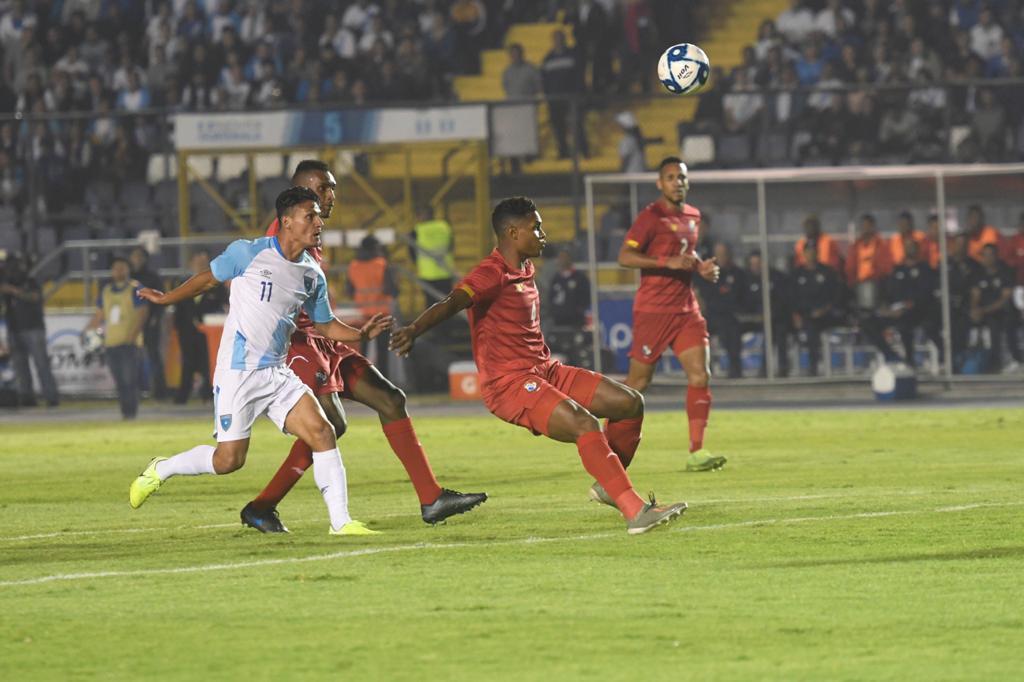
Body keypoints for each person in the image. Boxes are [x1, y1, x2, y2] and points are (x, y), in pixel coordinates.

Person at [390, 197, 688, 534]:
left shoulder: (526, 268)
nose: (543, 234)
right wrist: (414, 329)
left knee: (629, 402)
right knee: (584, 423)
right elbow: (452, 302)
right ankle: (634, 510)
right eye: (536, 227)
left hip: (546, 370)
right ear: (513, 233)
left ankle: (610, 485)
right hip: (510, 384)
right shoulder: (491, 272)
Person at [128, 187, 390, 536]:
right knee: (228, 461)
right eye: (310, 216)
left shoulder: (312, 274)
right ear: (286, 221)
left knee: (323, 432)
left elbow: (325, 323)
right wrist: (166, 299)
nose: (318, 223)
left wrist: (361, 334)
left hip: (277, 373)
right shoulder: (248, 253)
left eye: (317, 216)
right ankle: (162, 468)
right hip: (238, 373)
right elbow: (207, 279)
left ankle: (341, 523)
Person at [244, 160, 486, 533]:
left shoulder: (312, 233)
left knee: (391, 399)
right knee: (330, 425)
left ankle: (431, 498)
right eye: (324, 188)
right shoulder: (282, 235)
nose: (332, 196)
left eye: (333, 188)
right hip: (299, 342)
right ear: (300, 189)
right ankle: (263, 506)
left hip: (326, 340)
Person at [617, 157, 725, 472]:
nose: (677, 182)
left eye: (681, 177)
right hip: (653, 311)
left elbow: (685, 255)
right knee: (638, 382)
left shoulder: (693, 216)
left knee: (700, 375)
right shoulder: (650, 217)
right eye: (670, 177)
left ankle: (697, 451)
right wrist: (667, 263)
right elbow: (625, 256)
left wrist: (701, 267)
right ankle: (606, 440)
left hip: (686, 310)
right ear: (659, 184)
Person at [860, 240, 943, 368]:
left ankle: (910, 360)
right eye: (907, 247)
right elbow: (889, 293)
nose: (910, 250)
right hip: (894, 311)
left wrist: (907, 307)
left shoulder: (925, 269)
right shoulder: (897, 270)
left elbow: (926, 295)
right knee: (868, 322)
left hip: (917, 312)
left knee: (905, 324)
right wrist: (885, 307)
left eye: (912, 247)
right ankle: (891, 356)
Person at [84, 256, 148, 419]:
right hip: (111, 343)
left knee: (129, 381)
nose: (119, 271)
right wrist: (87, 330)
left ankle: (131, 413)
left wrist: (133, 335)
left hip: (129, 343)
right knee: (120, 382)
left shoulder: (135, 288)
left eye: (122, 267)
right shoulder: (106, 291)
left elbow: (142, 313)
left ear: (128, 270)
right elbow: (99, 315)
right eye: (116, 268)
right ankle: (125, 414)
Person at [0, 253, 59, 407]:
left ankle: (51, 396)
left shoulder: (30, 281)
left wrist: (13, 291)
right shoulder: (5, 284)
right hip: (14, 329)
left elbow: (36, 297)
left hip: (33, 329)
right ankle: (27, 397)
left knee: (41, 364)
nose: (8, 269)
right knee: (20, 366)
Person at [172, 250, 226, 404]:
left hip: (209, 333)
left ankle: (209, 394)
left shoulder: (216, 284)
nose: (201, 265)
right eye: (198, 262)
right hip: (187, 331)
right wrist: (178, 329)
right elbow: (179, 309)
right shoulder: (182, 284)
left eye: (204, 262)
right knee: (187, 362)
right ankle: (183, 395)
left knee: (208, 363)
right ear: (191, 264)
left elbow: (222, 306)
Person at [792, 242, 846, 376]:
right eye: (807, 252)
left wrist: (825, 309)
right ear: (803, 254)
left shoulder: (827, 272)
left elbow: (836, 296)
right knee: (808, 325)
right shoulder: (797, 274)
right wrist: (796, 314)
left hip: (826, 314)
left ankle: (815, 366)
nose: (810, 254)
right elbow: (791, 298)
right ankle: (811, 366)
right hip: (805, 316)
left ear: (817, 253)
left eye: (813, 251)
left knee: (813, 325)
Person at [347, 234, 397, 375]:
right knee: (382, 353)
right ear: (375, 248)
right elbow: (392, 290)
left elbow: (349, 291)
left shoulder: (354, 266)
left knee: (363, 352)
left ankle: (363, 382)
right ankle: (383, 384)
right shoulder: (382, 264)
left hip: (363, 316)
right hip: (382, 315)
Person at [739, 249, 792, 377]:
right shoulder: (745, 279)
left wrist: (769, 314)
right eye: (753, 264)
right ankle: (735, 368)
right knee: (731, 328)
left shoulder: (776, 277)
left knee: (778, 329)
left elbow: (782, 300)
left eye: (758, 263)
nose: (756, 267)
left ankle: (780, 367)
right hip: (752, 318)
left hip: (773, 317)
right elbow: (742, 301)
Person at [697, 243, 747, 379]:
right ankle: (704, 370)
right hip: (711, 315)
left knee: (731, 330)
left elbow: (741, 296)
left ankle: (735, 369)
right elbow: (706, 295)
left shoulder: (738, 273)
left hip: (731, 316)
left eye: (724, 254)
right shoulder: (709, 274)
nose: (722, 257)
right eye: (719, 254)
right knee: (697, 331)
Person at [969, 243, 1021, 373]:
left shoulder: (1006, 271)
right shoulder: (978, 273)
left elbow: (1005, 299)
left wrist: (984, 311)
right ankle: (970, 361)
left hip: (1003, 311)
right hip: (984, 312)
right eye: (985, 256)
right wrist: (975, 309)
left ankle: (1012, 359)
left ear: (997, 256)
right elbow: (976, 294)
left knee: (1003, 322)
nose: (988, 259)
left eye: (990, 255)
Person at [541, 29, 588, 159]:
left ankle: (584, 151)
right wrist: (548, 96)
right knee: (558, 127)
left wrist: (579, 93)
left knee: (577, 125)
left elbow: (579, 76)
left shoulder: (573, 56)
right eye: (555, 39)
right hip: (555, 100)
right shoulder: (547, 59)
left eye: (560, 38)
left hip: (571, 97)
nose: (558, 41)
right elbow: (545, 81)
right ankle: (563, 152)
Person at [129, 246, 168, 400]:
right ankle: (134, 392)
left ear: (145, 259)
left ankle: (159, 392)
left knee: (153, 357)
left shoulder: (152, 278)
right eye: (134, 256)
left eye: (139, 256)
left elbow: (162, 299)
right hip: (131, 325)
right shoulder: (128, 278)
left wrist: (155, 318)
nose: (136, 260)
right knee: (131, 358)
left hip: (150, 324)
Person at [547, 247, 590, 366]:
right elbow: (551, 298)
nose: (561, 260)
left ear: (570, 259)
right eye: (560, 258)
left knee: (577, 350)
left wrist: (577, 311)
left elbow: (586, 297)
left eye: (564, 257)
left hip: (575, 322)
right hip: (558, 322)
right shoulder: (556, 278)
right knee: (558, 352)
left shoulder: (580, 278)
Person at [410, 204, 455, 307]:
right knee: (446, 305)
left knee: (431, 306)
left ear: (419, 215)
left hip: (428, 274)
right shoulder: (445, 226)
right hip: (446, 272)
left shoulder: (417, 230)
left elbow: (412, 252)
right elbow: (451, 247)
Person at [845, 213, 891, 314]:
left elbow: (886, 266)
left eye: (868, 225)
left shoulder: (881, 244)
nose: (865, 228)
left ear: (873, 226)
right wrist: (852, 281)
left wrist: (876, 278)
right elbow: (850, 266)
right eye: (863, 225)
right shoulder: (856, 245)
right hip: (857, 285)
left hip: (877, 285)